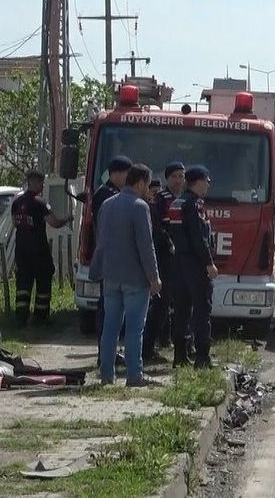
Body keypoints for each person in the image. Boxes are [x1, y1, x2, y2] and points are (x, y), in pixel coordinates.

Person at [90, 163, 162, 387]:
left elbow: (100, 242)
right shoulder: (140, 207)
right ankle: (134, 375)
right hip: (135, 280)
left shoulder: (107, 205)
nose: (148, 191)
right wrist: (154, 278)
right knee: (134, 329)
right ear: (140, 183)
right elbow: (146, 246)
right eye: (147, 186)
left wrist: (98, 270)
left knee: (110, 327)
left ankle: (106, 375)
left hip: (110, 277)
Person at [166, 165, 219, 368]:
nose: (207, 185)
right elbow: (199, 238)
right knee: (201, 310)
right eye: (206, 181)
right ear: (198, 181)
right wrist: (209, 264)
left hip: (177, 262)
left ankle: (180, 356)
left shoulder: (177, 202)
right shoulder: (194, 205)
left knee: (181, 310)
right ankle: (202, 357)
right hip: (195, 264)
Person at [10, 170, 72, 326]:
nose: (42, 186)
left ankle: (20, 317)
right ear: (35, 183)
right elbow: (54, 223)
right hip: (38, 249)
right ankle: (40, 316)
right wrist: (68, 219)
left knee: (23, 282)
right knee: (44, 279)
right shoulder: (41, 203)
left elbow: (14, 224)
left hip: (21, 249)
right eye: (41, 183)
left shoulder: (17, 203)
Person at [89, 156, 131, 357]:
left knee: (114, 309)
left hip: (115, 258)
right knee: (107, 308)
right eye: (126, 174)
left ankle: (111, 352)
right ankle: (104, 353)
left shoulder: (114, 193)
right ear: (116, 173)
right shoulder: (104, 195)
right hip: (109, 257)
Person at [144, 162, 186, 360]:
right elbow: (157, 228)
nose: (178, 180)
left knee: (185, 304)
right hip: (165, 259)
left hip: (183, 260)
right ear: (167, 179)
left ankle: (184, 345)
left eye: (181, 176)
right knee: (161, 305)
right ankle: (148, 347)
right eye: (174, 176)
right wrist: (168, 243)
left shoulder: (186, 200)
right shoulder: (161, 200)